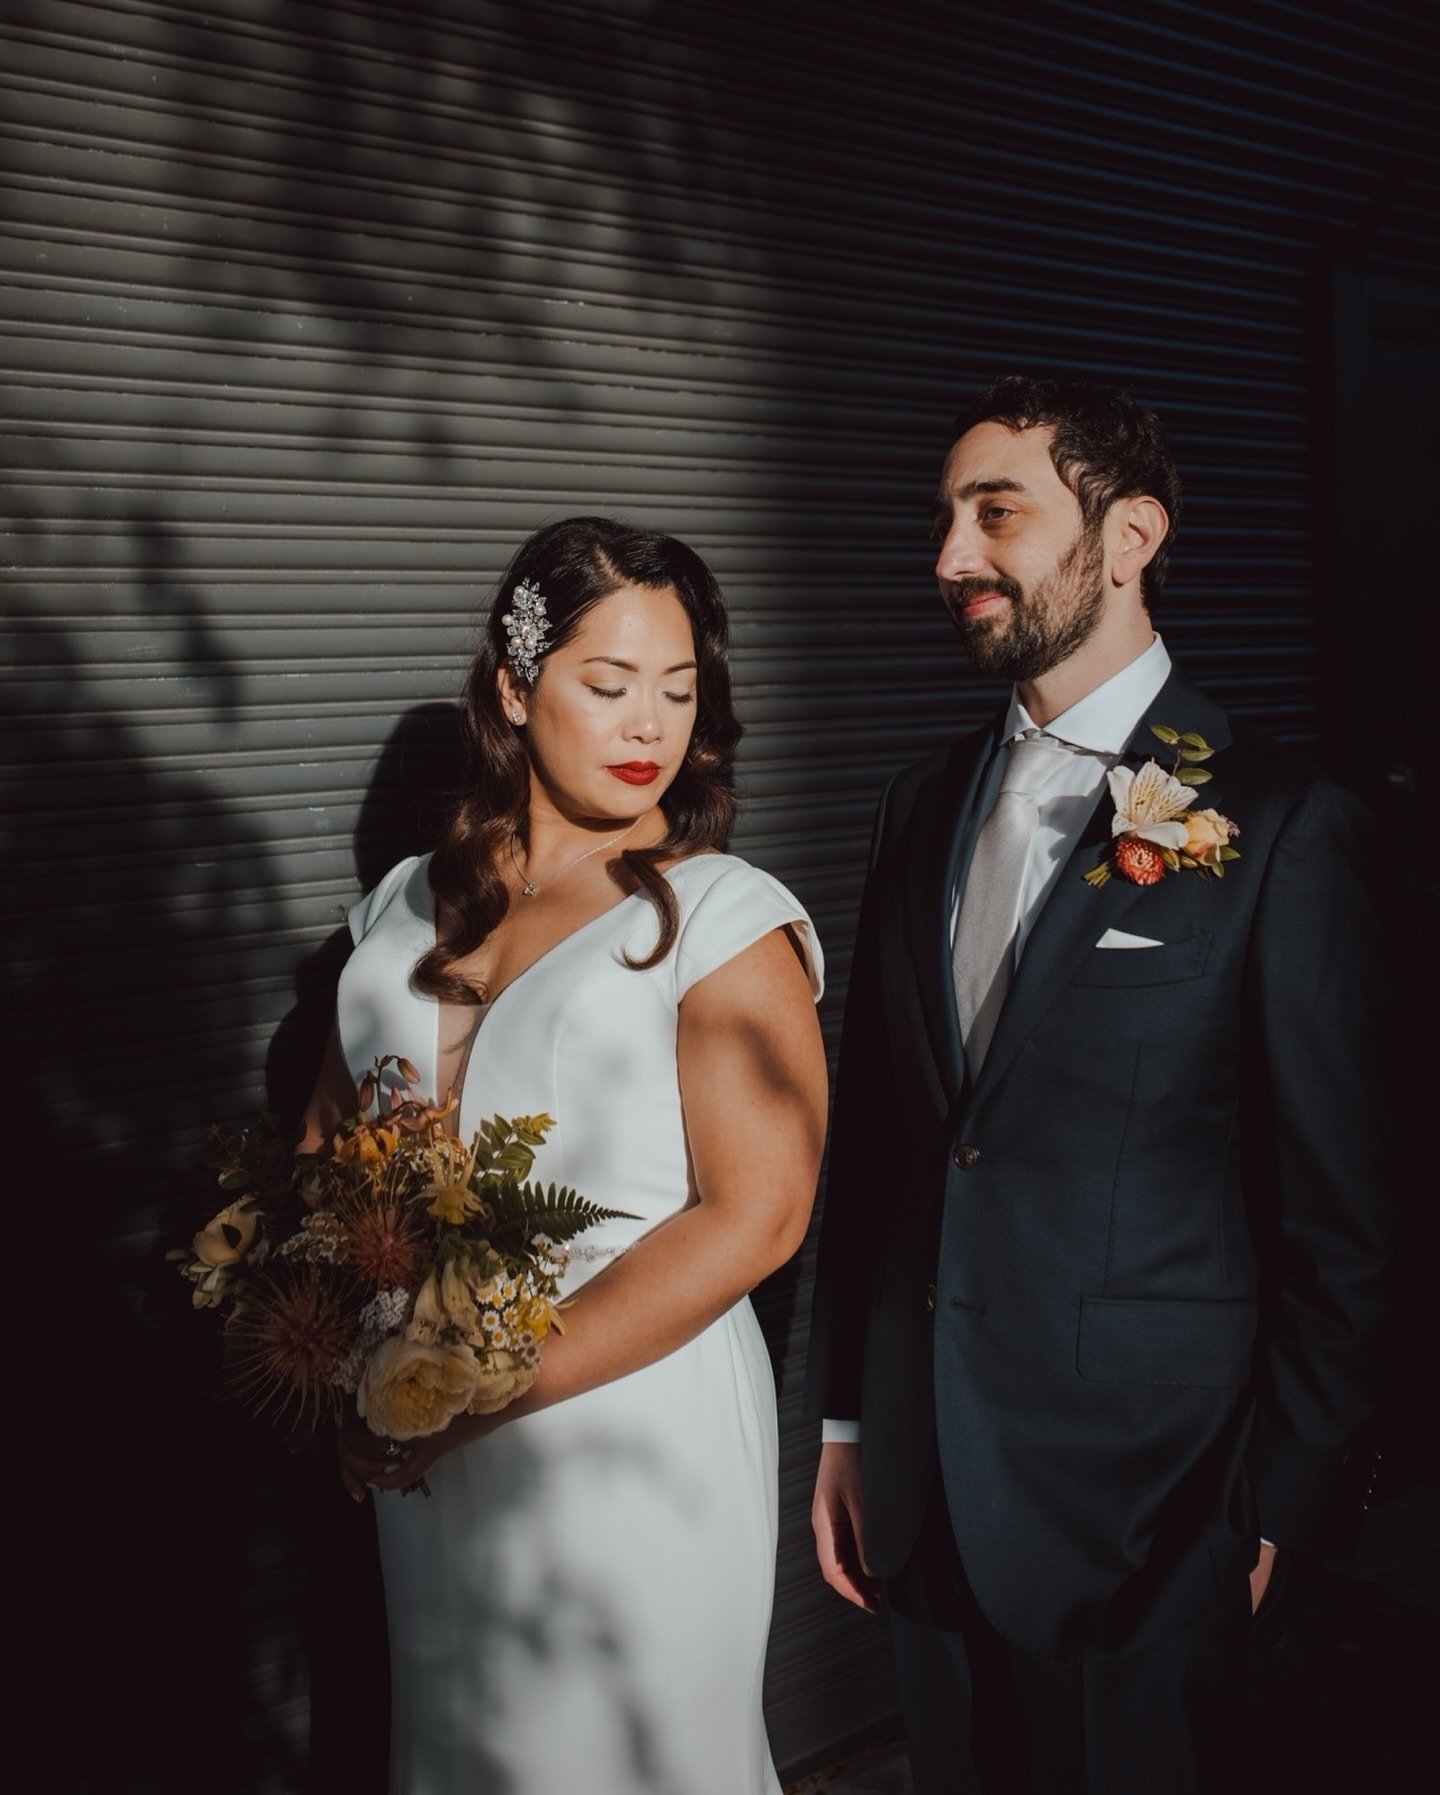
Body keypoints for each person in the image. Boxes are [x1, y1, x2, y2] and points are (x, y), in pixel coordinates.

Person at [806, 377, 1391, 1794]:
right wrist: (846, 1418)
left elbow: (1346, 1210)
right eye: (944, 518)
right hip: (926, 1481)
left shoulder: (1276, 819)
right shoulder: (918, 801)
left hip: (1155, 1509)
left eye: (995, 511)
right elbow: (887, 1141)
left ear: (1128, 534)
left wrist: (1277, 1509)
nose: (950, 557)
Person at [301, 516, 828, 1795]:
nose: (650, 724)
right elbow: (324, 1147)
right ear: (514, 686)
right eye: (609, 684)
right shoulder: (403, 904)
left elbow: (755, 1216)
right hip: (419, 1434)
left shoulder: (720, 915)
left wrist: (486, 1385)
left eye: (680, 689)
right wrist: (334, 1364)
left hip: (633, 1426)